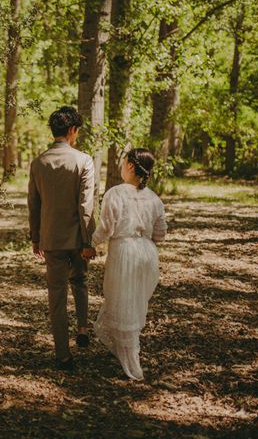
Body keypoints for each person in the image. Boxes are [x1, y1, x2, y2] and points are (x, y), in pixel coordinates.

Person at [28, 106, 96, 371]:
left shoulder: (39, 163)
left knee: (56, 294)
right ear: (72, 131)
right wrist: (88, 240)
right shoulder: (83, 161)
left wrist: (36, 238)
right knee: (79, 281)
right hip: (78, 238)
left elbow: (33, 205)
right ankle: (82, 325)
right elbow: (85, 205)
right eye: (77, 131)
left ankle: (62, 354)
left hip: (51, 239)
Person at [90, 148, 167, 380]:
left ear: (131, 166)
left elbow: (106, 227)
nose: (122, 167)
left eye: (124, 163)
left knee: (122, 301)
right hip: (146, 252)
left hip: (125, 251)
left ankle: (130, 360)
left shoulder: (116, 193)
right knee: (134, 302)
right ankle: (126, 351)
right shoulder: (154, 197)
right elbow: (161, 233)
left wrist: (90, 244)